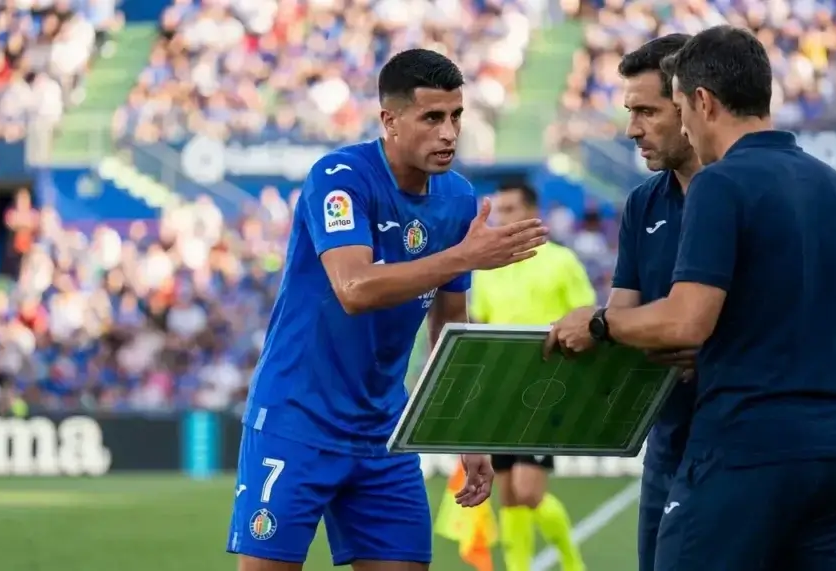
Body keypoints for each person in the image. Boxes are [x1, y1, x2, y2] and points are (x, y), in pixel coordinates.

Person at [550, 26, 836, 570]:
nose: (677, 124)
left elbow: (686, 322)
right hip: (835, 448)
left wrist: (600, 324)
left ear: (702, 102)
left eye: (675, 108)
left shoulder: (719, 184)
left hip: (742, 441)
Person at [227, 48, 550, 571]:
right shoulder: (340, 177)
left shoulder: (458, 198)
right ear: (390, 120)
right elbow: (354, 289)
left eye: (456, 116)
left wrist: (468, 434)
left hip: (383, 431)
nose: (449, 133)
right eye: (432, 118)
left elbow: (451, 328)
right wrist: (463, 256)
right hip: (297, 419)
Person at [605, 34, 702, 571]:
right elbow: (621, 316)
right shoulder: (643, 203)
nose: (632, 129)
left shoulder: (747, 193)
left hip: (738, 433)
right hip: (667, 439)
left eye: (646, 111)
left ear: (690, 104)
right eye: (630, 112)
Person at [469, 182, 595, 571]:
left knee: (528, 490)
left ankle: (573, 563)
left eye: (510, 209)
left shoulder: (562, 262)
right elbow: (480, 328)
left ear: (531, 213)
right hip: (501, 392)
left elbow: (587, 318)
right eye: (498, 210)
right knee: (508, 494)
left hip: (546, 390)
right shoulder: (487, 271)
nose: (502, 218)